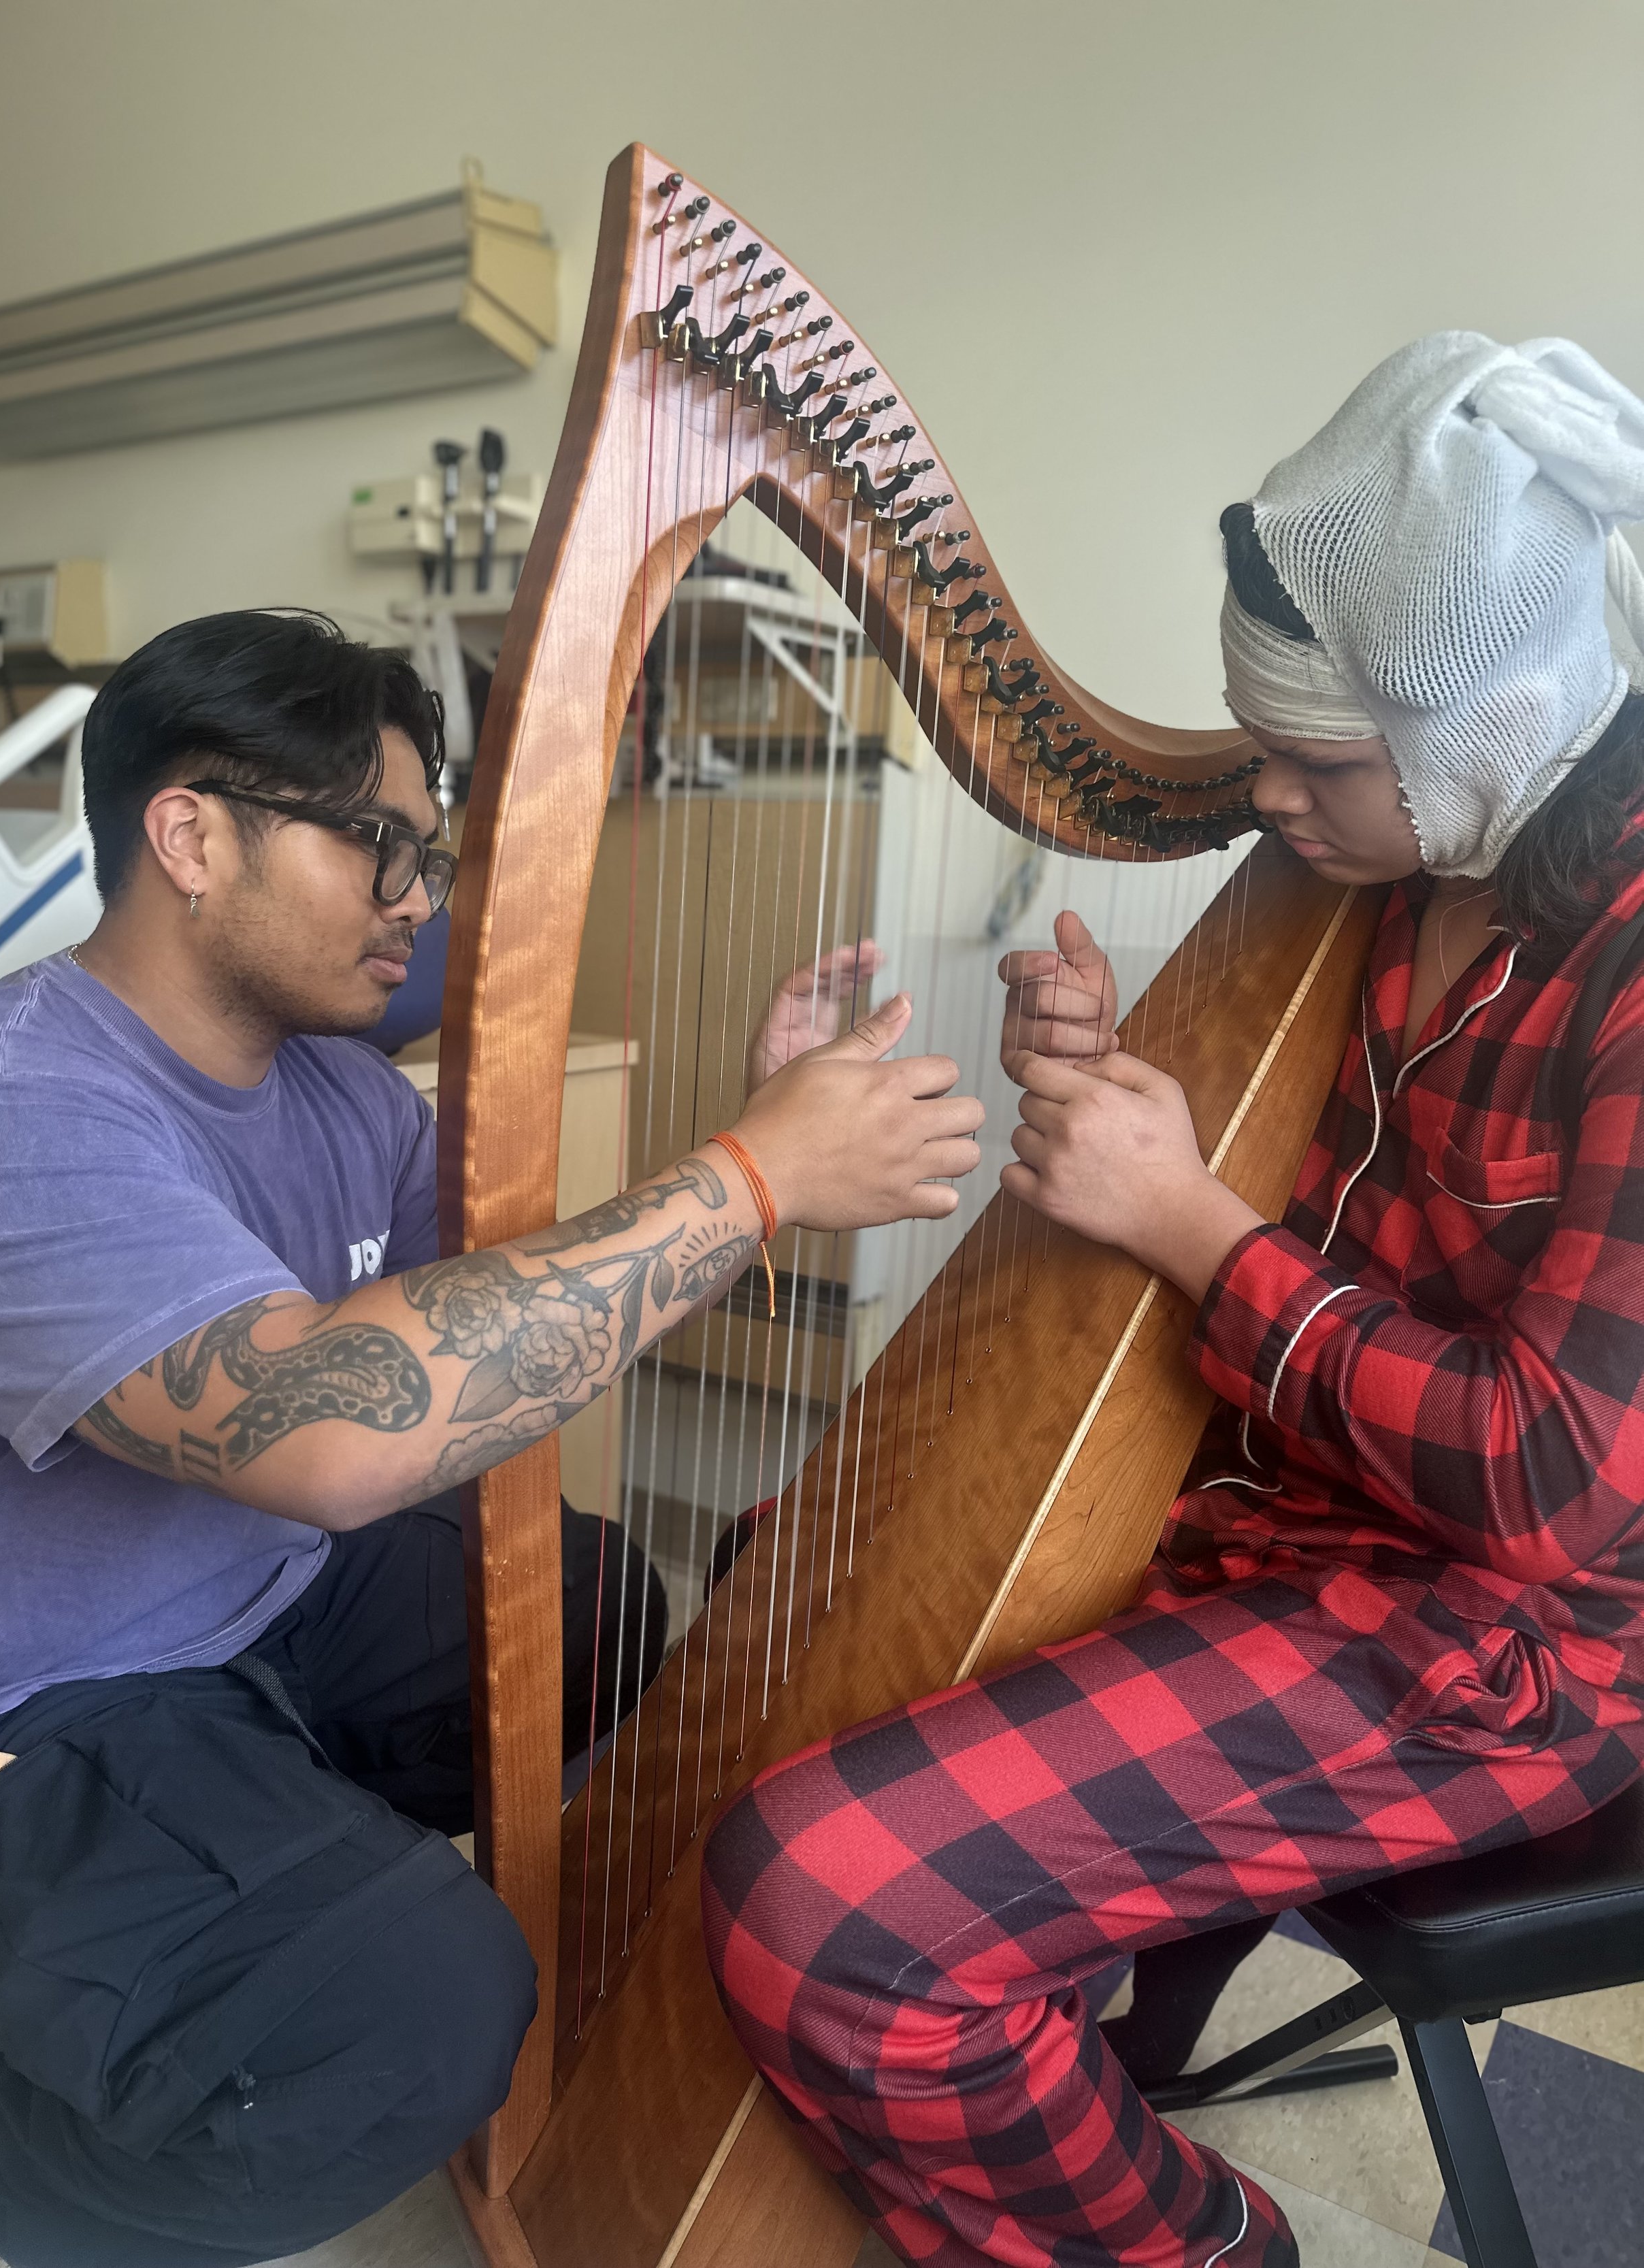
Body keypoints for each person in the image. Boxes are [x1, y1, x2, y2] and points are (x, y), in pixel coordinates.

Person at [701, 332, 1644, 2268]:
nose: (1261, 796)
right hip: (1279, 1496)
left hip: (1506, 1634)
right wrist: (1133, 1088)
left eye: (1314, 759)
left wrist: (1194, 1222)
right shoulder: (1387, 872)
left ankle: (1197, 2244)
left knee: (823, 1898)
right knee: (771, 1562)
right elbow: (1345, 1206)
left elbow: (1560, 1487)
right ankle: (1084, 2040)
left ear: (1500, 721)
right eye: (1255, 744)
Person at [0, 610, 985, 2268]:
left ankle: (238, 1902)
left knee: (598, 1604)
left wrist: (744, 1130)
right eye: (377, 846)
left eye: (424, 855)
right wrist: (756, 1179)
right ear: (190, 832)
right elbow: (327, 1429)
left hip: (262, 1595)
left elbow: (494, 1324)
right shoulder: (1, 1100)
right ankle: (16, 2149)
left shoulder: (339, 1093)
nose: (416, 900)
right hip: (31, 1693)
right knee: (422, 2016)